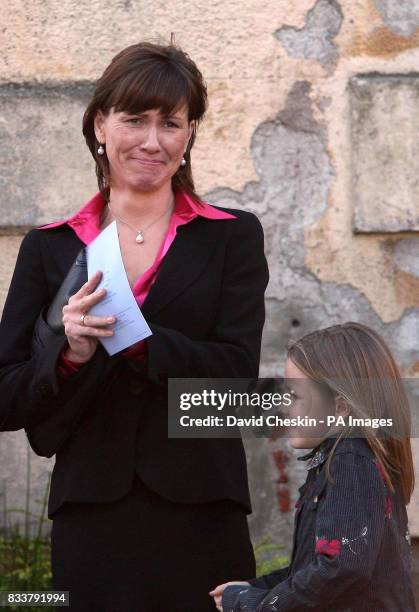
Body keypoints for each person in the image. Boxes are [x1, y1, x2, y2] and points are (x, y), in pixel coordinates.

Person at [0, 41, 269, 611]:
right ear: (101, 123)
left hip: (203, 508)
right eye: (134, 119)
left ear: (190, 132)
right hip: (92, 511)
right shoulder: (49, 247)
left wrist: (144, 346)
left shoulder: (231, 236)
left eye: (170, 122)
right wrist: (69, 355)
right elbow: (6, 398)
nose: (152, 140)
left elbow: (240, 385)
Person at [211, 322, 416, 611]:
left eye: (294, 396)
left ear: (341, 408)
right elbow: (312, 569)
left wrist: (256, 605)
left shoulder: (350, 461)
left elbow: (341, 571)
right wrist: (255, 589)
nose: (283, 407)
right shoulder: (339, 460)